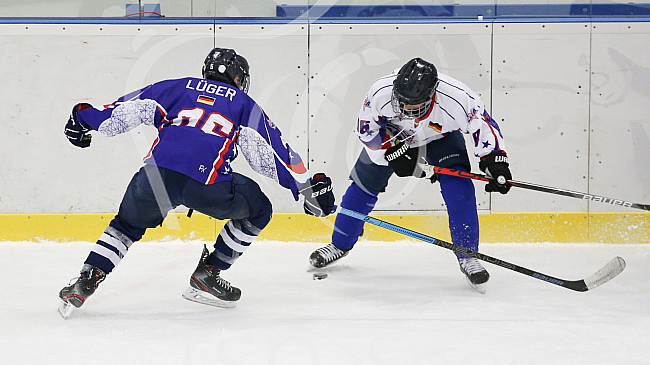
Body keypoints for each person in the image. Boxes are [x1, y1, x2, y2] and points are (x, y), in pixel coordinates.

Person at [59, 48, 335, 318]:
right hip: (208, 186)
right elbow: (270, 153)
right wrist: (307, 187)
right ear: (239, 79)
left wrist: (83, 118)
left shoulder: (174, 88)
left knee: (126, 226)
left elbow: (119, 115)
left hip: (156, 178)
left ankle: (86, 280)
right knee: (259, 208)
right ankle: (209, 271)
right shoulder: (241, 103)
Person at [309, 57, 512, 293]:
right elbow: (365, 131)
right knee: (360, 188)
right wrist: (392, 151)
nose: (406, 109)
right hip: (393, 139)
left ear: (432, 95)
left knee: (459, 189)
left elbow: (483, 127)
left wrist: (495, 161)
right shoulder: (380, 92)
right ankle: (339, 244)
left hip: (440, 139)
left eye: (414, 105)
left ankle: (468, 255)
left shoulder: (458, 97)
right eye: (402, 102)